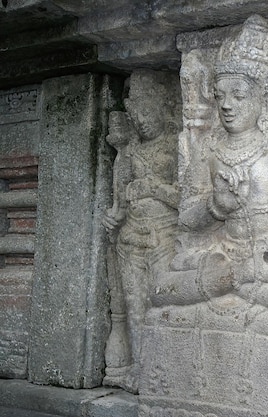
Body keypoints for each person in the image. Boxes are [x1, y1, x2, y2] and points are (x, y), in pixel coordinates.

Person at [153, 15, 268, 318]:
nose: (226, 105)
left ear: (264, 97)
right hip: (220, 256)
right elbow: (187, 218)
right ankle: (241, 284)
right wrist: (217, 207)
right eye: (220, 95)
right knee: (160, 287)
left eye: (238, 95)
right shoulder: (208, 146)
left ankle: (247, 285)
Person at [102, 69, 180, 392]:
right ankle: (140, 367)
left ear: (164, 107)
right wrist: (113, 218)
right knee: (135, 307)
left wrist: (153, 187)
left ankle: (166, 368)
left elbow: (184, 196)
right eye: (137, 115)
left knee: (162, 304)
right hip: (131, 239)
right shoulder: (129, 154)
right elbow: (118, 205)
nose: (143, 121)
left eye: (149, 112)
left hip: (164, 236)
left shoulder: (177, 144)